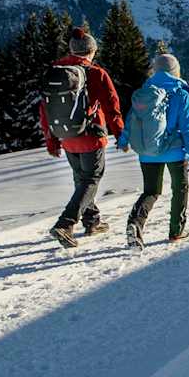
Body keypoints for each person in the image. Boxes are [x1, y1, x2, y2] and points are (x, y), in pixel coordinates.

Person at [40, 27, 123, 248]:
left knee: (81, 179)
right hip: (91, 136)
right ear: (91, 51)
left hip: (67, 137)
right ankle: (65, 224)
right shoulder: (96, 73)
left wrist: (52, 140)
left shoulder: (55, 71)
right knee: (91, 179)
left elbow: (45, 109)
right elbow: (112, 106)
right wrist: (120, 133)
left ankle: (92, 221)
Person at [118, 53, 189, 247]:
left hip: (148, 151)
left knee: (151, 191)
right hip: (175, 151)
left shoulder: (145, 92)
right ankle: (176, 231)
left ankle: (135, 224)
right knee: (179, 188)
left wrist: (123, 140)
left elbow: (131, 119)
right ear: (175, 71)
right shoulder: (180, 93)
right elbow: (187, 128)